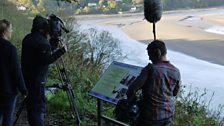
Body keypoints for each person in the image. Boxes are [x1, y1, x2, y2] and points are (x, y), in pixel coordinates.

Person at [21, 15, 67, 126]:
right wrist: (61, 51)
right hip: (37, 82)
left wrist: (53, 43)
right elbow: (46, 59)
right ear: (43, 28)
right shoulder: (42, 42)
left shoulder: (28, 38)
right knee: (38, 109)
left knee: (31, 108)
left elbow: (40, 54)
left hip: (27, 79)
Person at [127, 40, 181, 126]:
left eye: (150, 55)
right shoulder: (176, 71)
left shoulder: (150, 69)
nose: (149, 58)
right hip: (168, 115)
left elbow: (132, 89)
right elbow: (174, 93)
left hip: (151, 117)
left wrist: (134, 100)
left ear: (157, 53)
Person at [0, 19, 27, 126]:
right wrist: (23, 90)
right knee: (7, 118)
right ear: (4, 31)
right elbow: (16, 71)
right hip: (8, 90)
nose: (11, 31)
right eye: (10, 29)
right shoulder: (10, 48)